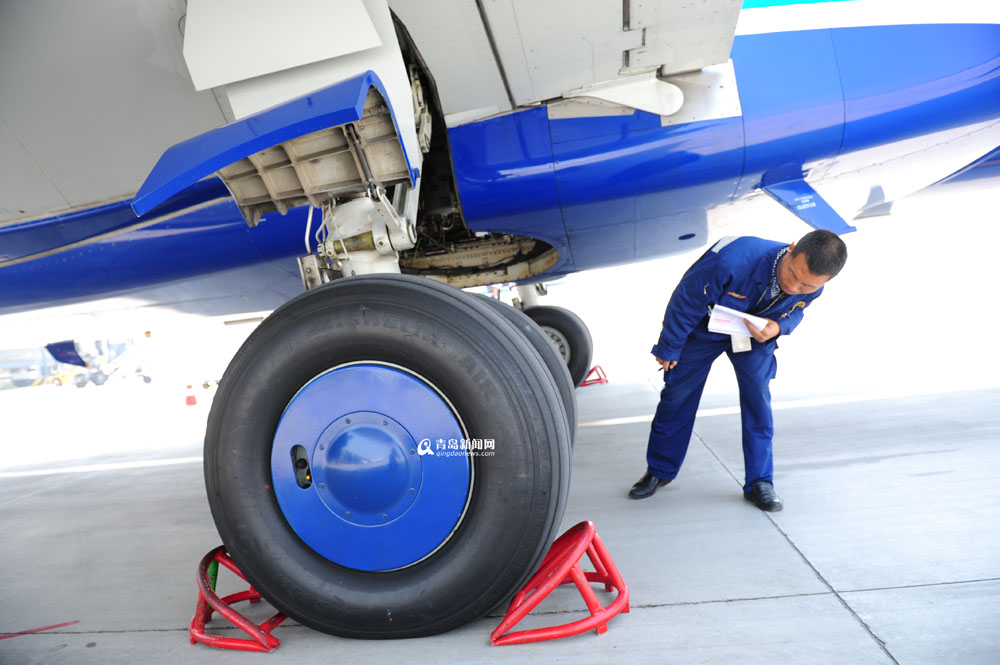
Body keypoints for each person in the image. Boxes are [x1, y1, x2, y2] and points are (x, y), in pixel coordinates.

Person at [628, 230, 848, 511]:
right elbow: (686, 300)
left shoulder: (814, 283)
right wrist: (669, 347)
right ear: (791, 249)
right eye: (792, 275)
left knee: (758, 399)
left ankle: (760, 482)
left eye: (806, 285)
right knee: (677, 395)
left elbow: (797, 309)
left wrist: (778, 327)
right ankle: (659, 470)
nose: (794, 287)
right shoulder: (730, 261)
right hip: (705, 328)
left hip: (755, 335)